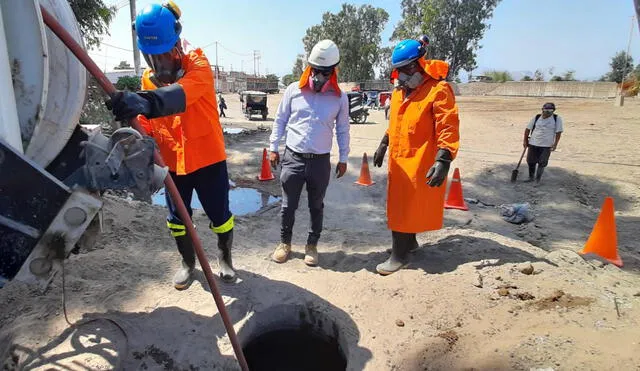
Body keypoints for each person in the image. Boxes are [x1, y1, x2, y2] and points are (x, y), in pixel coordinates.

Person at [106, 1, 237, 289]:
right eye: (152, 58)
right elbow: (149, 124)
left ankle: (225, 257)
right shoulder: (147, 80)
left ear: (177, 44)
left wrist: (143, 101)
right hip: (172, 162)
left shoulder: (199, 66)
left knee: (220, 215)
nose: (159, 65)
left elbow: (179, 96)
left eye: (164, 55)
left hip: (207, 158)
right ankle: (188, 262)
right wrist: (138, 133)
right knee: (177, 218)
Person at [372, 37, 460, 275]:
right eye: (399, 70)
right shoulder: (400, 92)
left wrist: (443, 160)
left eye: (406, 69)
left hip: (420, 160)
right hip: (399, 161)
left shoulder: (438, 90)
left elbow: (448, 126)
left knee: (403, 208)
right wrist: (384, 142)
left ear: (420, 64)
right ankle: (409, 243)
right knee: (402, 205)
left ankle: (399, 256)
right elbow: (397, 122)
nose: (402, 75)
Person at [268, 39, 350, 266]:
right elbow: (280, 119)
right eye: (315, 70)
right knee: (288, 205)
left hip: (320, 162)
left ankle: (312, 246)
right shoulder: (294, 90)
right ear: (309, 67)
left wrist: (343, 158)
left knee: (316, 205)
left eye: (324, 72)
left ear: (332, 71)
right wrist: (273, 147)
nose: (318, 76)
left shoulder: (340, 98)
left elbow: (343, 129)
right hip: (293, 158)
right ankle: (285, 243)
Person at [523, 102, 563, 183]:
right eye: (545, 110)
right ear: (542, 110)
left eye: (550, 111)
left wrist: (555, 144)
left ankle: (537, 180)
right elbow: (527, 129)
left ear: (553, 111)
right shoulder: (537, 117)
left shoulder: (557, 118)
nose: (547, 113)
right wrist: (525, 141)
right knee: (530, 161)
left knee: (542, 162)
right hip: (533, 143)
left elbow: (558, 133)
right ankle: (531, 177)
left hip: (546, 145)